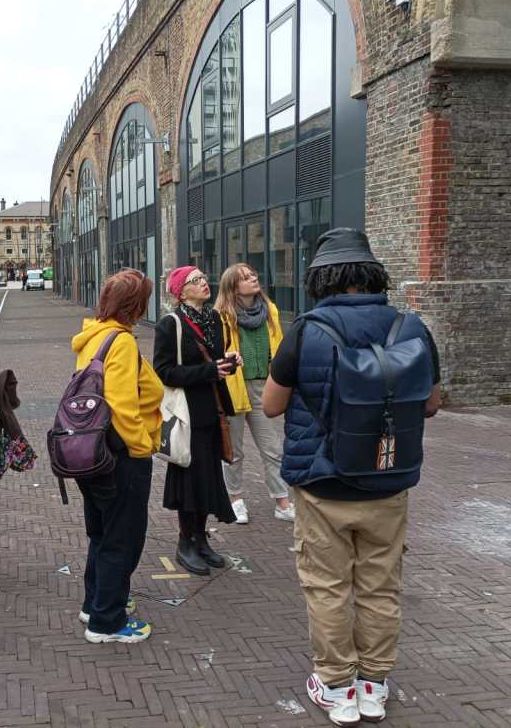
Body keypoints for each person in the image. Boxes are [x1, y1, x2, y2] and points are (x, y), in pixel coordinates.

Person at [262, 228, 442, 727]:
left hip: (322, 484)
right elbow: (430, 404)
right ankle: (373, 686)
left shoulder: (306, 331)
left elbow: (271, 406)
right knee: (381, 587)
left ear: (321, 279)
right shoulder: (412, 327)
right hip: (388, 478)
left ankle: (337, 687)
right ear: (373, 274)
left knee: (327, 587)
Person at [70, 268, 163, 643]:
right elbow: (123, 407)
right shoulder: (121, 342)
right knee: (121, 538)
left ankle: (95, 603)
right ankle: (107, 623)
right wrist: (143, 447)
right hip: (119, 456)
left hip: (90, 452)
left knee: (101, 533)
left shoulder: (93, 336)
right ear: (136, 306)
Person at [153, 266, 239, 576]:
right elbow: (163, 371)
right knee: (190, 480)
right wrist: (209, 371)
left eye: (204, 278)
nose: (204, 283)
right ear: (181, 291)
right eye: (196, 280)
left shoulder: (214, 319)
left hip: (212, 411)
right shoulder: (170, 324)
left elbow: (214, 360)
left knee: (208, 478)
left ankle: (201, 540)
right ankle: (185, 542)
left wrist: (229, 362)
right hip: (186, 414)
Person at [214, 263, 293, 524]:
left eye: (253, 274)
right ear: (233, 288)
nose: (253, 278)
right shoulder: (222, 315)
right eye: (246, 277)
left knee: (272, 448)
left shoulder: (270, 310)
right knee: (233, 452)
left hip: (263, 387)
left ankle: (282, 502)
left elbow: (278, 346)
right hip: (233, 388)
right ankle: (235, 500)